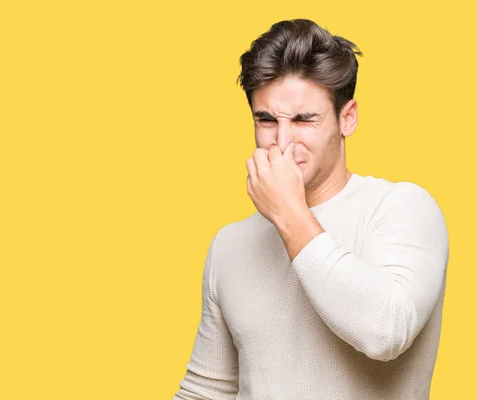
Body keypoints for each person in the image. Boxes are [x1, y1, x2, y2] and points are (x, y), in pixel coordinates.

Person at [173, 18, 449, 400]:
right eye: (266, 120)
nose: (283, 142)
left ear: (346, 118)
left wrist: (290, 216)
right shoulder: (229, 244)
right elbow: (207, 391)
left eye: (304, 120)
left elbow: (386, 332)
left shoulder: (402, 209)